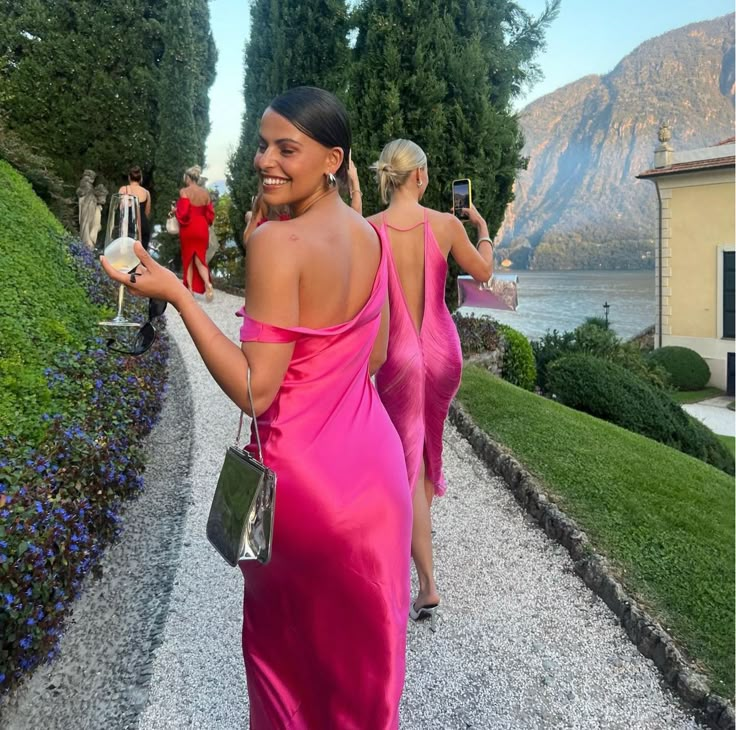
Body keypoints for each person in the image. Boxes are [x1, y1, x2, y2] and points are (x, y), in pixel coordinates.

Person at [101, 87, 412, 729]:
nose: (264, 159)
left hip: (304, 491)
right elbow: (376, 354)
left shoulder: (278, 242)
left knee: (286, 674)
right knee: (360, 683)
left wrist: (180, 297)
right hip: (378, 482)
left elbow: (254, 389)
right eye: (263, 144)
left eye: (285, 148)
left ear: (333, 158)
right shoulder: (371, 236)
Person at [362, 139, 494, 627]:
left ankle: (427, 585)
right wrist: (482, 228)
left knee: (411, 464)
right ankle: (418, 575)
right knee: (419, 455)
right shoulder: (447, 223)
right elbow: (483, 273)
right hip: (443, 355)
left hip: (397, 356)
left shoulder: (369, 230)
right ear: (419, 177)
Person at [176, 164, 215, 301]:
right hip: (202, 227)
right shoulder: (205, 193)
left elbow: (184, 212)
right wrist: (205, 223)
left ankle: (190, 290)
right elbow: (210, 214)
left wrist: (176, 212)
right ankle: (208, 283)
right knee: (200, 259)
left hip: (189, 227)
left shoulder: (184, 191)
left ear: (188, 178)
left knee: (188, 259)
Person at [118, 166, 152, 250]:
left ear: (129, 177)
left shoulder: (123, 189)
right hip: (143, 226)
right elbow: (147, 213)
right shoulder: (146, 193)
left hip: (128, 226)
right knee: (142, 255)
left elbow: (121, 210)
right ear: (141, 178)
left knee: (128, 255)